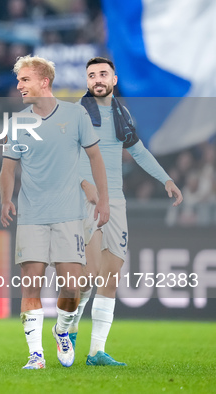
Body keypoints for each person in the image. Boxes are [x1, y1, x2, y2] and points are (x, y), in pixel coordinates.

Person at [68, 57, 183, 366]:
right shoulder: (78, 114)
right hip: (86, 199)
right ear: (88, 82)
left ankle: (95, 352)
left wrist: (166, 179)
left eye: (103, 73)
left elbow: (138, 151)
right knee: (89, 274)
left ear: (114, 80)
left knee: (110, 276)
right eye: (92, 75)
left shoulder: (122, 114)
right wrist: (83, 184)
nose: (97, 79)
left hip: (115, 200)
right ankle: (67, 326)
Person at [0, 55, 109, 369]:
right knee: (30, 283)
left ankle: (62, 329)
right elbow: (8, 169)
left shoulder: (76, 115)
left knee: (71, 287)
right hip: (32, 215)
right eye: (19, 80)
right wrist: (6, 199)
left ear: (44, 82)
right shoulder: (18, 122)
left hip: (68, 215)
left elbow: (96, 159)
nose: (19, 86)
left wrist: (102, 200)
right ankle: (35, 354)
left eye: (25, 80)